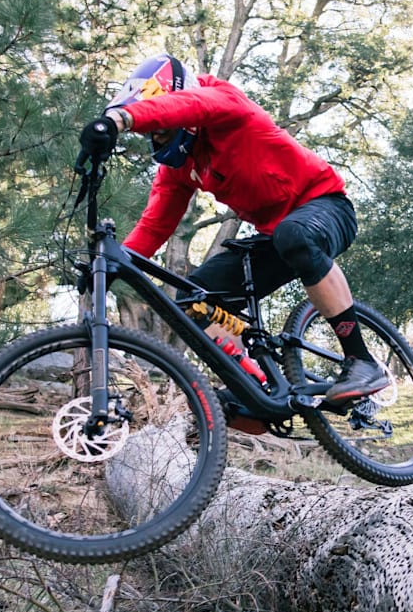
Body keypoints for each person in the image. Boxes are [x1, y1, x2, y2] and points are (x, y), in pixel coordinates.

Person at [77, 54, 388, 404]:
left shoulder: (225, 104)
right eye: (153, 134)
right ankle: (256, 388)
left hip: (325, 207)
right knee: (194, 297)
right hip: (276, 237)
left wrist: (121, 118)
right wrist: (109, 268)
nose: (156, 138)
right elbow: (154, 225)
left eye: (160, 128)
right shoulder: (180, 167)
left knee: (294, 234)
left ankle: (361, 359)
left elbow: (194, 105)